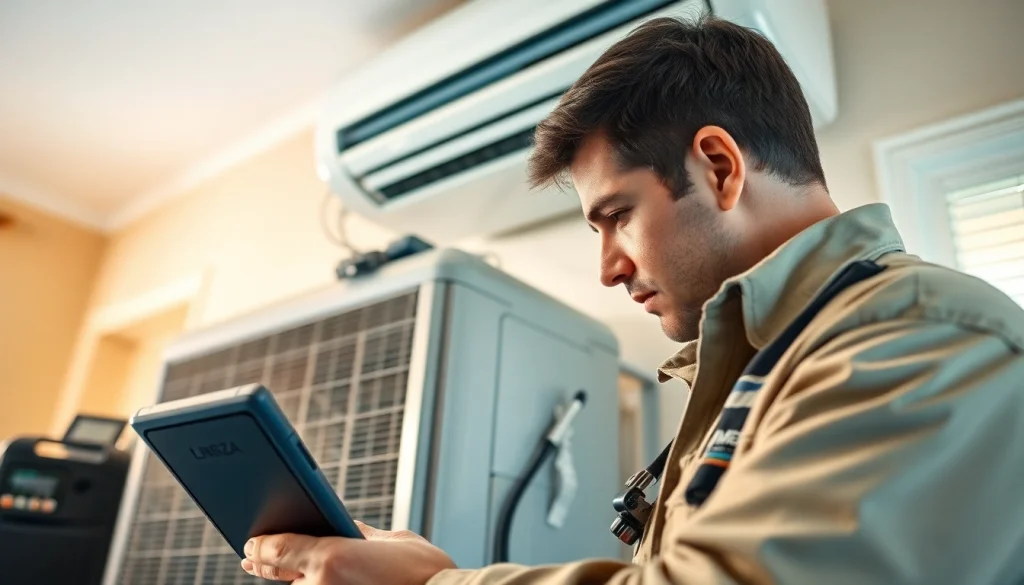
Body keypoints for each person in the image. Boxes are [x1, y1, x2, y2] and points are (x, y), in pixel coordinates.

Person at [240, 15, 1024, 585]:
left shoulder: (917, 328)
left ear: (719, 166)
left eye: (617, 216)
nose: (609, 269)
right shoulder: (761, 366)